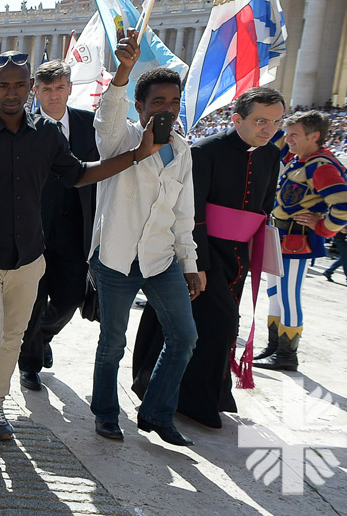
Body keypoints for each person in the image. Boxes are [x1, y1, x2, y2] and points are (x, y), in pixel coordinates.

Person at [0, 48, 163, 454]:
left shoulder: (46, 135)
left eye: (19, 85)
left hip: (30, 258)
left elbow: (79, 174)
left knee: (13, 339)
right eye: (3, 86)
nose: (11, 93)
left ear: (30, 89)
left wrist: (135, 156)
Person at [132, 87, 283, 428]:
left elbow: (264, 206)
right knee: (214, 323)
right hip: (204, 251)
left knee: (221, 327)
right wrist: (195, 264)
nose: (268, 128)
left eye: (275, 122)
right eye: (261, 120)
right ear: (237, 119)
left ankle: (210, 393)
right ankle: (188, 400)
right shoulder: (205, 151)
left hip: (238, 257)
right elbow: (192, 211)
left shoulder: (272, 155)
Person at [88, 31, 200, 447]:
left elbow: (183, 213)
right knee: (112, 341)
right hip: (116, 258)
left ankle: (156, 412)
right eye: (158, 102)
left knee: (184, 336)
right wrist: (124, 70)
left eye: (173, 102)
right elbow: (107, 114)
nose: (167, 109)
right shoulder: (122, 138)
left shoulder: (184, 150)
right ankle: (105, 413)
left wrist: (189, 264)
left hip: (160, 260)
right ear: (140, 106)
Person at [17, 60, 99, 392]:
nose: (53, 96)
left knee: (70, 296)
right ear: (36, 91)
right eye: (46, 89)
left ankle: (41, 335)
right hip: (33, 229)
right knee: (34, 300)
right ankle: (30, 363)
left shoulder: (90, 125)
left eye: (59, 88)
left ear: (69, 89)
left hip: (75, 228)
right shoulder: (23, 127)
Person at [255, 111, 347, 371]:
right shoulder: (301, 159)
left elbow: (342, 205)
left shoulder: (321, 166)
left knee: (288, 296)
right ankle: (274, 347)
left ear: (314, 136)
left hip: (298, 239)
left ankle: (286, 355)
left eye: (294, 134)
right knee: (275, 294)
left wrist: (322, 227)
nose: (288, 139)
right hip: (281, 236)